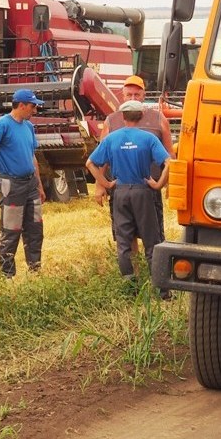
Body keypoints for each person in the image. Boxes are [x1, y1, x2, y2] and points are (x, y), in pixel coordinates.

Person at [86, 99, 171, 297]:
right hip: (143, 191)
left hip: (121, 192)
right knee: (152, 241)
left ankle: (130, 289)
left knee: (124, 242)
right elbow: (168, 162)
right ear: (141, 116)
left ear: (123, 117)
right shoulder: (148, 138)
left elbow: (90, 163)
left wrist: (106, 184)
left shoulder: (112, 139)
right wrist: (158, 184)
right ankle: (161, 291)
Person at [0, 89, 47, 278]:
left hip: (31, 184)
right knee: (11, 230)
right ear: (21, 105)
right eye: (33, 106)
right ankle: (7, 277)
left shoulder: (28, 127)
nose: (35, 110)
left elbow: (33, 158)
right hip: (12, 185)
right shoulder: (3, 125)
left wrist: (39, 185)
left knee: (35, 228)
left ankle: (35, 271)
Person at [98, 74, 173, 240]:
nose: (133, 98)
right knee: (126, 237)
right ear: (122, 96)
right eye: (129, 94)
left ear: (144, 96)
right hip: (120, 188)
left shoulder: (159, 119)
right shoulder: (111, 121)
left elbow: (170, 155)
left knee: (153, 236)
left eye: (137, 95)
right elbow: (102, 157)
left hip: (150, 187)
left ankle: (153, 265)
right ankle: (132, 266)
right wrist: (100, 185)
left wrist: (170, 183)